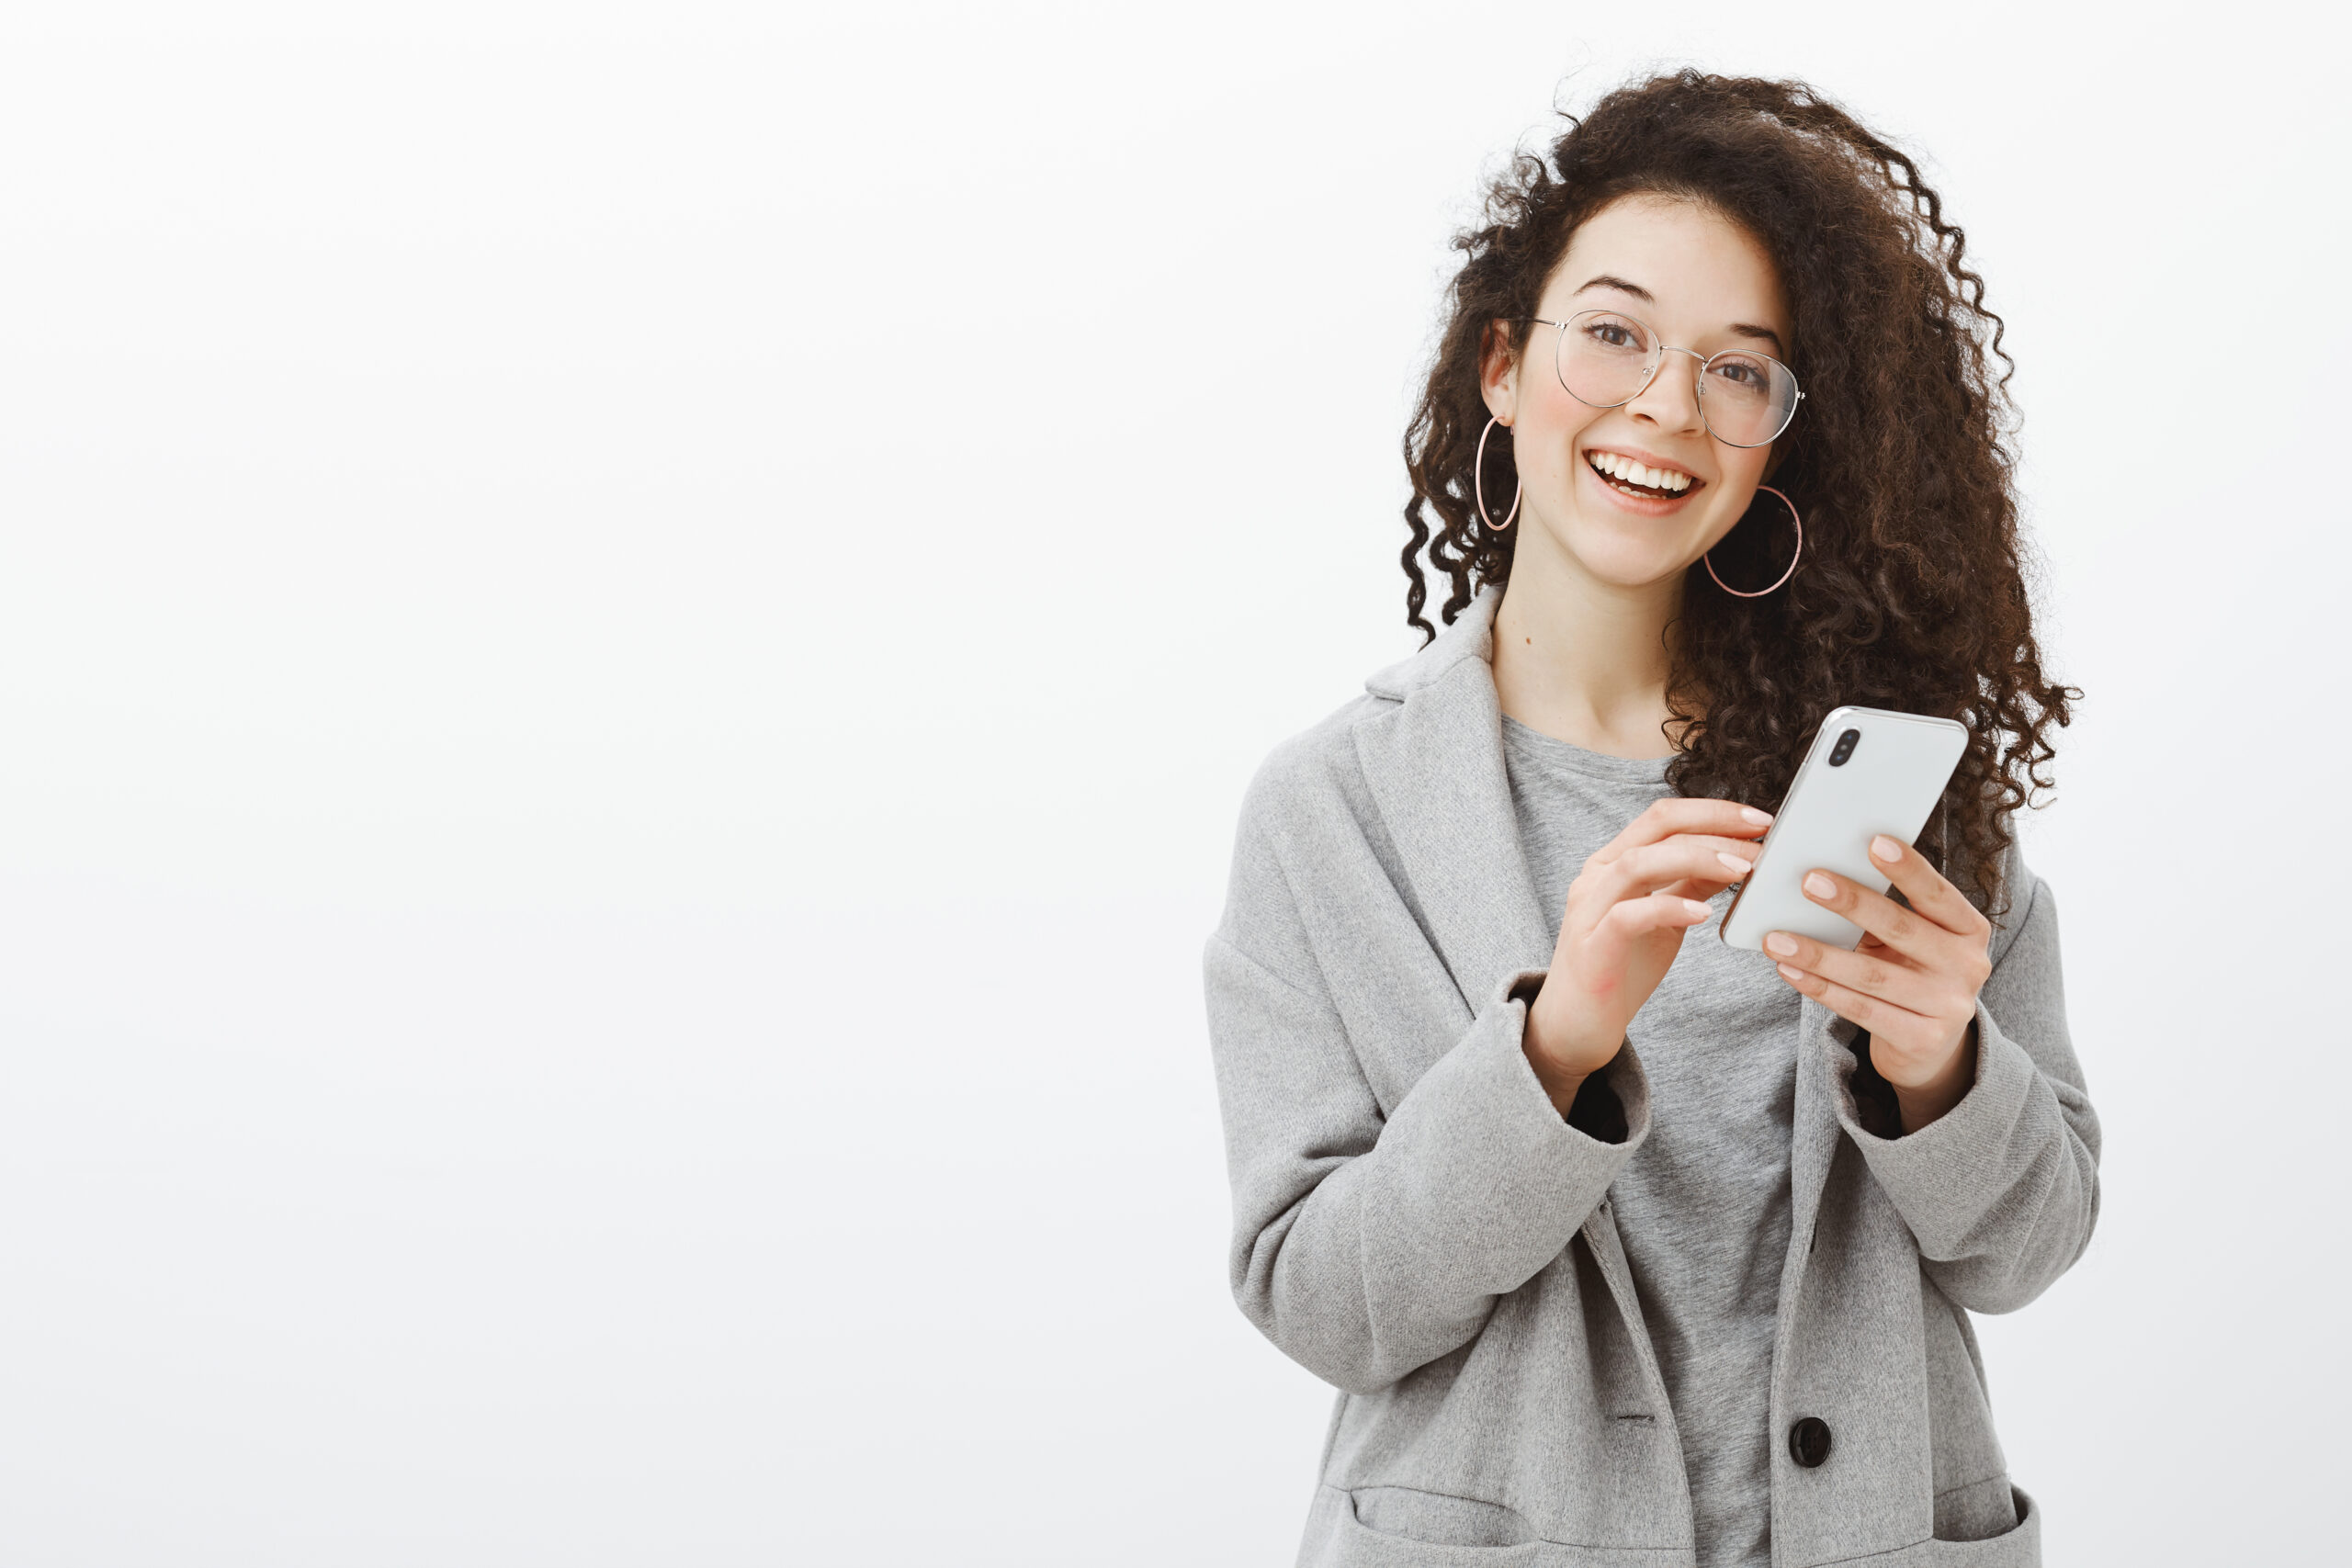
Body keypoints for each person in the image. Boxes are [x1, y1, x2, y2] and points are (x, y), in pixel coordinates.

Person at [1201, 72, 2099, 1568]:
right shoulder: (1335, 812)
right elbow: (1321, 1301)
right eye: (1613, 333)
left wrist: (1941, 1070)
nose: (1668, 407)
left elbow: (2029, 1247)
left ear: (1782, 437)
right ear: (1502, 364)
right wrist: (1554, 1047)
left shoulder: (1900, 795)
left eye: (1740, 369)